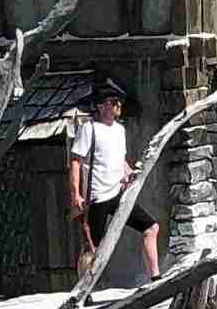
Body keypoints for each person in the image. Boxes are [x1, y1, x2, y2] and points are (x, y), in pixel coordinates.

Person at [65, 80, 160, 284]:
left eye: (119, 102)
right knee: (92, 248)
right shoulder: (89, 129)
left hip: (118, 194)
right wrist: (76, 195)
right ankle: (83, 290)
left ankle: (155, 279)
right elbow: (75, 161)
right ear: (101, 106)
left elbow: (120, 160)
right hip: (97, 197)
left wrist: (129, 173)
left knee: (151, 227)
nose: (118, 105)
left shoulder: (119, 130)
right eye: (113, 101)